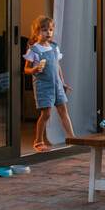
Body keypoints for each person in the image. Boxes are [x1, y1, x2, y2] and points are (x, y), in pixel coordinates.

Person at [23, 15, 74, 152]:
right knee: (46, 114)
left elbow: (57, 66)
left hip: (57, 85)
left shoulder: (54, 47)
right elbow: (26, 69)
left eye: (50, 30)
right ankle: (38, 141)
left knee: (64, 111)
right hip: (43, 87)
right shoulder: (34, 50)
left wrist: (63, 82)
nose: (48, 33)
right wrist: (34, 69)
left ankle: (72, 138)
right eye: (44, 30)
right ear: (37, 32)